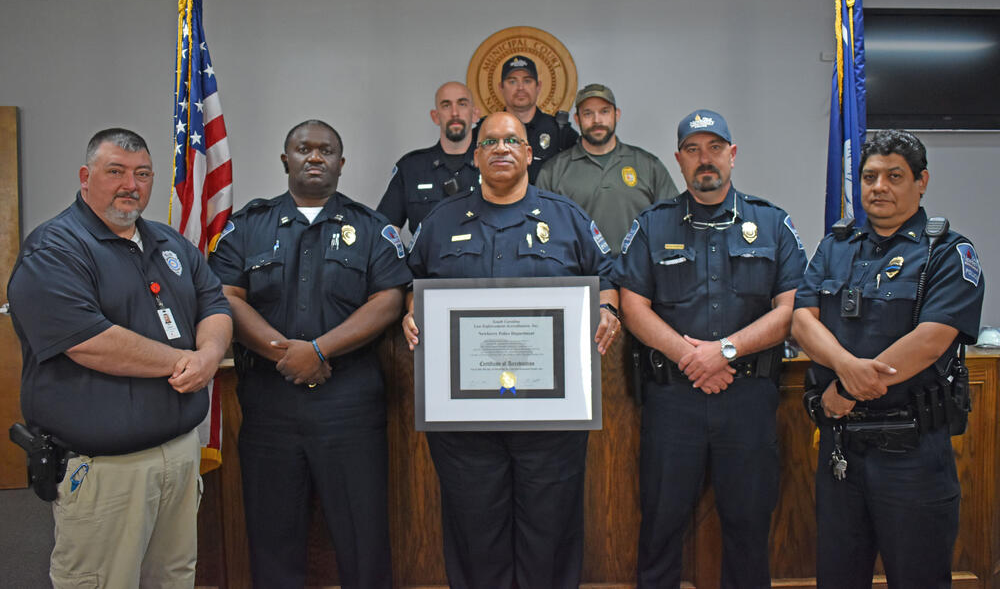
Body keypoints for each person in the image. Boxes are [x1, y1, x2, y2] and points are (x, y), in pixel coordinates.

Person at [7, 127, 233, 588]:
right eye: (116, 172)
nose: (131, 184)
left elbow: (214, 304)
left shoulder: (169, 243)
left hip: (178, 452)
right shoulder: (54, 249)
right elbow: (89, 341)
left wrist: (209, 353)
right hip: (106, 469)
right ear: (86, 177)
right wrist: (183, 361)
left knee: (173, 577)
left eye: (142, 173)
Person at [403, 111, 620, 588]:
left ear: (528, 153)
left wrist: (608, 311)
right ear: (476, 156)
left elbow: (607, 280)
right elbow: (410, 284)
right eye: (491, 142)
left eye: (512, 140)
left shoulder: (567, 218)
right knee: (474, 530)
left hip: (552, 417)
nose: (501, 148)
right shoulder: (440, 221)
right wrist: (408, 311)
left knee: (552, 529)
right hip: (463, 419)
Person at [208, 120, 411, 589]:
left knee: (363, 538)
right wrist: (288, 354)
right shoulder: (247, 226)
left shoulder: (373, 228)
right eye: (303, 149)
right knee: (272, 536)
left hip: (349, 406)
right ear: (286, 160)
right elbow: (227, 296)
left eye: (326, 150)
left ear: (342, 163)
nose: (314, 157)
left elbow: (388, 301)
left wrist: (319, 350)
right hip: (269, 404)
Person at [613, 109, 807, 588]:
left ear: (733, 155)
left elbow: (795, 309)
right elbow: (632, 307)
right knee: (660, 525)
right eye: (694, 150)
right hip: (673, 400)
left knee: (748, 527)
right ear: (678, 159)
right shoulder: (652, 225)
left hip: (747, 398)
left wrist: (723, 351)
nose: (706, 160)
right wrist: (691, 357)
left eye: (715, 148)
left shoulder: (772, 223)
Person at [792, 129, 985, 589]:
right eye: (870, 176)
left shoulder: (949, 252)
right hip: (842, 452)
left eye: (894, 176)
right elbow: (802, 321)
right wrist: (845, 370)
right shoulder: (834, 246)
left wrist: (850, 387)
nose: (879, 187)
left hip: (913, 455)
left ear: (921, 182)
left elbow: (931, 339)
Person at [536, 83, 679, 256]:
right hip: (580, 276)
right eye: (588, 113)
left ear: (616, 114)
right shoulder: (553, 171)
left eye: (604, 111)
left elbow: (672, 222)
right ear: (577, 119)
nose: (597, 120)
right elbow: (543, 233)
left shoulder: (648, 165)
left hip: (639, 277)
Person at [377, 81, 481, 234]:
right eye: (446, 105)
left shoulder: (493, 164)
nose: (454, 113)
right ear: (435, 116)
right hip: (426, 258)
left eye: (462, 104)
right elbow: (386, 232)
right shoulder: (411, 168)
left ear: (475, 114)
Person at [489, 55, 578, 183]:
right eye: (512, 81)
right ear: (501, 88)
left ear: (538, 86)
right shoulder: (486, 131)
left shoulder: (561, 132)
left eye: (527, 81)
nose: (520, 88)